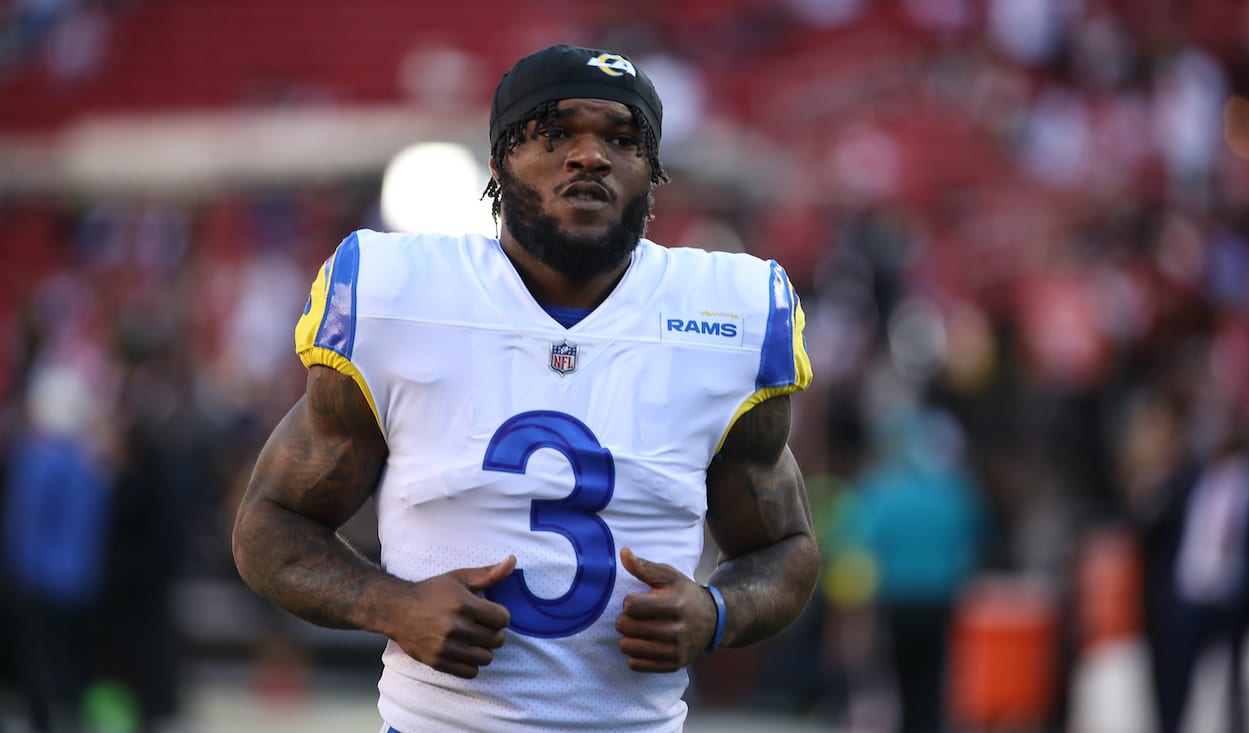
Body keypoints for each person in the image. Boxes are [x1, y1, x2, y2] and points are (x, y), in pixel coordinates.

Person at [231, 43, 820, 732]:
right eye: (555, 132)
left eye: (622, 139)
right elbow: (268, 522)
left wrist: (716, 613)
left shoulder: (730, 312)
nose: (590, 156)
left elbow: (787, 548)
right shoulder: (400, 292)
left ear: (651, 174)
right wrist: (389, 604)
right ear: (498, 160)